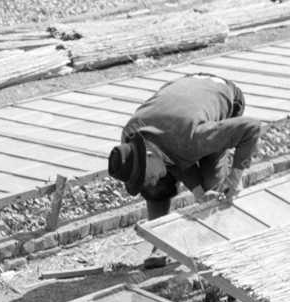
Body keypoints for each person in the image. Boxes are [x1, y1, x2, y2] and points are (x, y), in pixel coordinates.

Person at [107, 74, 263, 269]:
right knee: (156, 188)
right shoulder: (130, 137)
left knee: (212, 185)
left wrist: (236, 175)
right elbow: (172, 157)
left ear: (147, 154)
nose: (151, 179)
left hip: (220, 93)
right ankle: (161, 241)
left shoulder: (195, 137)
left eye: (148, 175)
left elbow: (251, 128)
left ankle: (218, 245)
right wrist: (197, 193)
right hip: (179, 100)